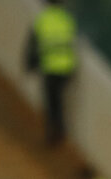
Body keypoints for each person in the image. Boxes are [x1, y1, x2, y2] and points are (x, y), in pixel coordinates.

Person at [25, 0, 77, 146]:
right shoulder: (66, 18)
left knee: (50, 100)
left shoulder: (43, 19)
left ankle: (52, 132)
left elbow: (33, 44)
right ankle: (60, 129)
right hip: (66, 66)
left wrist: (30, 64)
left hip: (50, 66)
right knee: (58, 99)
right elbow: (71, 43)